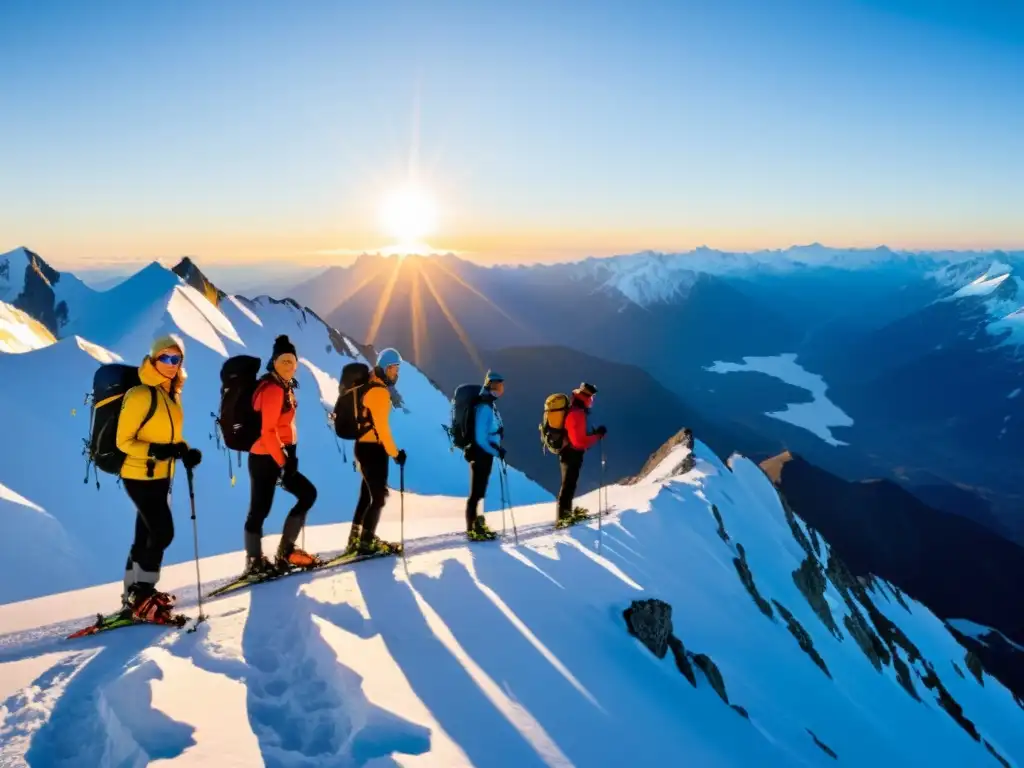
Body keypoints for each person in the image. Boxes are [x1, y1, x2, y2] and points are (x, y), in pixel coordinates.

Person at [116, 334, 202, 621]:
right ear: (153, 359)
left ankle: (133, 594)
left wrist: (184, 451)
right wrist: (156, 451)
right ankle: (143, 592)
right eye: (164, 357)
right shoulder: (140, 394)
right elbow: (123, 441)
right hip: (138, 475)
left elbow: (172, 438)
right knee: (163, 531)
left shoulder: (171, 394)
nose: (170, 363)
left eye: (176, 358)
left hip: (162, 476)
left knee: (145, 535)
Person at [243, 335, 319, 577]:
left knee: (301, 496)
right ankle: (262, 559)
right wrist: (285, 462)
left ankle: (279, 553)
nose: (288, 365)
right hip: (267, 457)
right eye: (283, 360)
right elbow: (267, 431)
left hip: (274, 456)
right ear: (274, 362)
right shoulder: (274, 390)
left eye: (292, 361)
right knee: (261, 509)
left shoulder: (283, 386)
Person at [347, 347, 407, 554]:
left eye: (397, 369)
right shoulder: (380, 392)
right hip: (373, 449)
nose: (396, 373)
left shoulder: (369, 386)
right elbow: (382, 428)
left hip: (363, 447)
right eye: (393, 369)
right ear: (384, 368)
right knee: (379, 497)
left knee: (367, 495)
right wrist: (396, 453)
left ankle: (355, 538)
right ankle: (366, 541)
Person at [557, 382, 606, 526]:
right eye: (591, 397)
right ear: (586, 397)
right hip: (572, 453)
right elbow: (579, 441)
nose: (592, 400)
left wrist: (593, 434)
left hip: (568, 452)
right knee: (568, 485)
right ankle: (564, 519)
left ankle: (565, 516)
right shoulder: (577, 413)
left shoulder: (575, 409)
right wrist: (597, 436)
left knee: (569, 485)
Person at [465, 370, 505, 540]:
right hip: (482, 454)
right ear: (489, 385)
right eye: (496, 385)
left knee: (479, 491)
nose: (499, 389)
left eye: (500, 385)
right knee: (476, 493)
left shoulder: (489, 404)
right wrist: (496, 451)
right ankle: (472, 528)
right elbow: (481, 438)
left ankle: (476, 525)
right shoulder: (485, 408)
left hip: (484, 454)